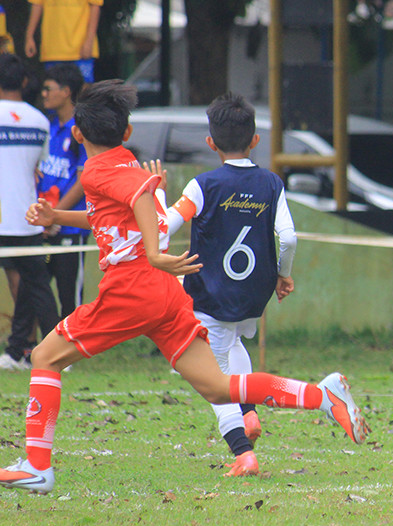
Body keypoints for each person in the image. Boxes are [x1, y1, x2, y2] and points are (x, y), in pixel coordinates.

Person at [0, 80, 369, 495]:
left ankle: (37, 466)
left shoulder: (98, 171)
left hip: (131, 288)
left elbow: (139, 200)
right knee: (218, 387)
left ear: (77, 133)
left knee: (44, 356)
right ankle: (322, 396)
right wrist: (58, 216)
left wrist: (153, 251)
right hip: (165, 293)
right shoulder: (126, 163)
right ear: (127, 132)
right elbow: (117, 212)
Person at [155, 91, 299, 477]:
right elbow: (289, 238)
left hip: (211, 295)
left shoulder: (203, 185)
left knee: (213, 381)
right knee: (233, 342)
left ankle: (242, 453)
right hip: (254, 294)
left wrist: (157, 196)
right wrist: (283, 273)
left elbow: (164, 227)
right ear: (255, 140)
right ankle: (249, 412)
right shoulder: (271, 183)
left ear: (210, 142)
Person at [0, 53, 59, 371]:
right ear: (24, 82)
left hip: (7, 216)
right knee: (36, 286)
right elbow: (39, 168)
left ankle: (21, 349)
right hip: (27, 216)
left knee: (27, 285)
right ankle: (41, 348)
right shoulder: (39, 120)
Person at [38, 63, 88, 319]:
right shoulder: (47, 126)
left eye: (49, 88)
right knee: (36, 290)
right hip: (44, 224)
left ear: (66, 91)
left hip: (70, 227)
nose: (44, 94)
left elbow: (84, 181)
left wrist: (56, 214)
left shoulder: (82, 129)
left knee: (69, 297)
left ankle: (73, 343)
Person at [24, 0, 101, 83]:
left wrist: (89, 41)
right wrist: (29, 36)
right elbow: (37, 5)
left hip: (80, 48)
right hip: (53, 48)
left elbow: (95, 6)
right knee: (53, 85)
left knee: (84, 86)